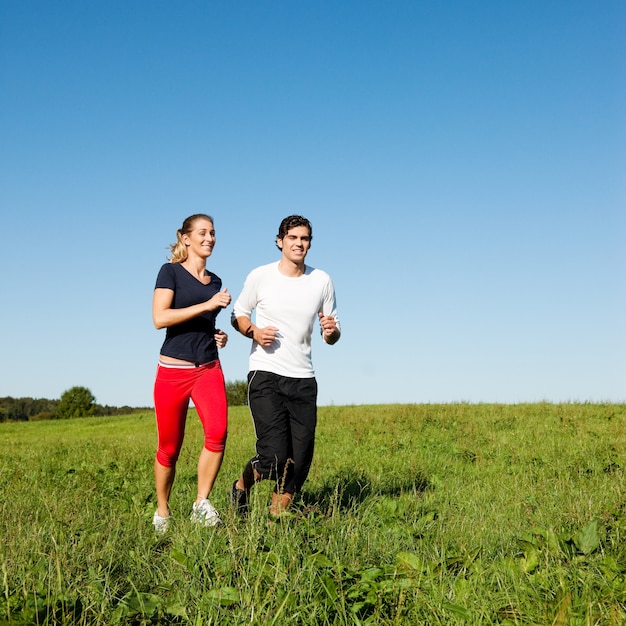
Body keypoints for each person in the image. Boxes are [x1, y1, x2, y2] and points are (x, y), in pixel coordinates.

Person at [229, 215, 340, 518]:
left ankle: (276, 518)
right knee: (275, 456)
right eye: (292, 237)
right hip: (266, 374)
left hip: (303, 379)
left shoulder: (321, 281)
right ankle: (240, 487)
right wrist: (254, 331)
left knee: (300, 459)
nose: (299, 243)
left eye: (304, 239)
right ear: (280, 241)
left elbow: (332, 333)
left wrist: (331, 332)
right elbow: (237, 314)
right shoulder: (260, 276)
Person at [151, 214, 232, 533]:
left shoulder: (215, 280)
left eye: (213, 233)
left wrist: (218, 335)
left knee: (218, 433)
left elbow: (202, 324)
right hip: (173, 370)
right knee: (169, 448)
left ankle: (201, 503)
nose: (210, 238)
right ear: (185, 238)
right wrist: (208, 305)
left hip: (208, 367)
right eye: (202, 233)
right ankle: (162, 511)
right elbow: (160, 317)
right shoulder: (169, 272)